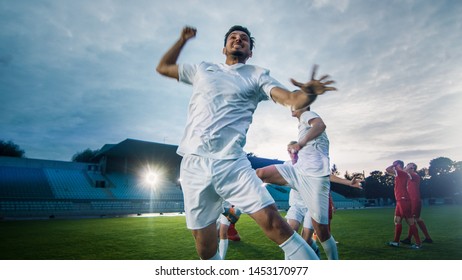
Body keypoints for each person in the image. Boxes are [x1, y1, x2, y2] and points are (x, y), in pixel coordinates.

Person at [156, 25, 336, 260]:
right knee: (204, 246)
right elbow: (163, 67)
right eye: (233, 37)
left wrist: (309, 94)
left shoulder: (256, 74)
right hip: (194, 163)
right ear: (224, 48)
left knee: (276, 224)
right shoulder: (203, 69)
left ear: (249, 51)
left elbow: (292, 98)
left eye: (244, 39)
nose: (238, 40)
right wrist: (181, 39)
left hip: (232, 163)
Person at [256, 106, 338, 259]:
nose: (289, 105)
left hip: (312, 179)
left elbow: (320, 125)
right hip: (297, 177)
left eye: (294, 102)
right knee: (260, 173)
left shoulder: (308, 115)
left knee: (320, 232)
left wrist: (300, 143)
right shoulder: (289, 163)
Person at [284, 141, 362, 259]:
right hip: (296, 205)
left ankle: (315, 250)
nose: (293, 152)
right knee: (289, 235)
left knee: (305, 240)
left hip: (311, 205)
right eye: (290, 150)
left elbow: (327, 175)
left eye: (295, 150)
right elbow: (274, 174)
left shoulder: (310, 165)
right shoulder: (286, 164)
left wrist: (348, 183)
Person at [385, 160, 422, 249]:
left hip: (403, 199)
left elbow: (387, 169)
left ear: (398, 165)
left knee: (410, 221)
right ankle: (396, 242)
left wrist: (394, 165)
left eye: (395, 164)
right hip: (400, 200)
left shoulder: (400, 172)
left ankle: (418, 243)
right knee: (397, 220)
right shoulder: (401, 173)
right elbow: (390, 172)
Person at [400, 162, 433, 244]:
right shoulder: (409, 177)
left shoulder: (414, 175)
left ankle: (409, 239)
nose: (407, 167)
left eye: (409, 166)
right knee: (417, 219)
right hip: (412, 200)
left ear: (413, 168)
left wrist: (406, 169)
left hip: (414, 201)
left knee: (413, 219)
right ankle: (428, 238)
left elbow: (407, 174)